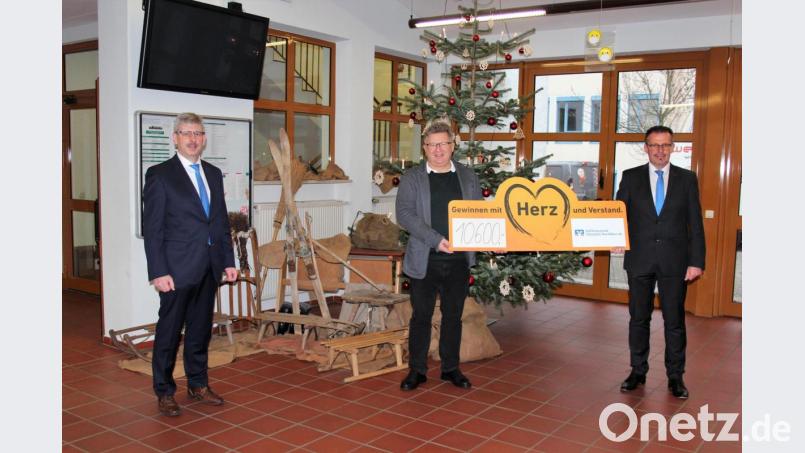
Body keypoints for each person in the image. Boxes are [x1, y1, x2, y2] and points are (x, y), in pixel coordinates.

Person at [142, 112, 238, 417]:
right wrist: (158, 271)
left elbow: (220, 222)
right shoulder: (160, 175)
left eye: (197, 133)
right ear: (175, 138)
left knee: (200, 331)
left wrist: (228, 261)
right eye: (186, 133)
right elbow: (153, 229)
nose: (192, 139)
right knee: (170, 333)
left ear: (204, 138)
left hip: (208, 267)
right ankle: (165, 391)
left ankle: (198, 384)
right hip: (176, 270)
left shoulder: (212, 173)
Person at [614, 125, 705, 399]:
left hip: (675, 263)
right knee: (638, 319)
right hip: (640, 260)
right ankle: (637, 371)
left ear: (672, 147)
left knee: (674, 321)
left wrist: (696, 261)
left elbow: (695, 225)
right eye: (654, 145)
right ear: (646, 147)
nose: (660, 151)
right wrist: (617, 236)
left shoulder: (687, 179)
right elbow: (620, 214)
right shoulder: (630, 178)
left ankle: (675, 376)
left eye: (665, 145)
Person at [395, 121, 483, 391]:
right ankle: (417, 370)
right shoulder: (413, 178)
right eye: (432, 145)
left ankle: (450, 368)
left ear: (452, 146)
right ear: (424, 148)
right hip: (425, 260)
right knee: (420, 316)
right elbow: (404, 215)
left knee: (453, 316)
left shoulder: (468, 177)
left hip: (458, 262)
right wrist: (436, 240)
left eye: (443, 143)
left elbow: (479, 214)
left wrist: (493, 240)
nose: (438, 149)